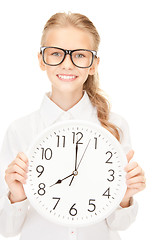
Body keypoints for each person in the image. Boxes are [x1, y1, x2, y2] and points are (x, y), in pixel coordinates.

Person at [0, 12, 146, 240]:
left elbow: (120, 223)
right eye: (56, 53)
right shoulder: (20, 130)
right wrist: (16, 194)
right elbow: (7, 229)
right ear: (41, 60)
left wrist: (125, 196)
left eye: (79, 55)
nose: (67, 64)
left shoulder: (115, 127)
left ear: (93, 64)